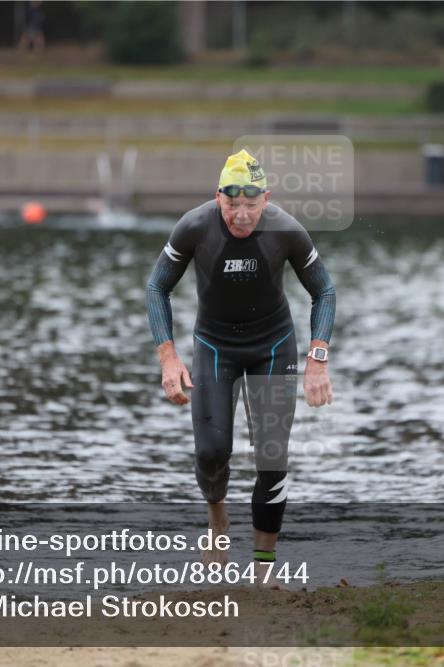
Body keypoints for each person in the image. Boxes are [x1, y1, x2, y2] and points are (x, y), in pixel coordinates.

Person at [146, 149, 335, 581]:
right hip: (215, 347)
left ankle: (263, 567)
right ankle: (218, 521)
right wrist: (168, 358)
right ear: (218, 197)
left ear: (266, 199)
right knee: (212, 452)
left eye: (251, 204)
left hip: (273, 346)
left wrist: (318, 359)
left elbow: (324, 291)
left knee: (272, 455)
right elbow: (157, 287)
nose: (242, 215)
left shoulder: (287, 230)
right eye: (232, 204)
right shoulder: (194, 227)